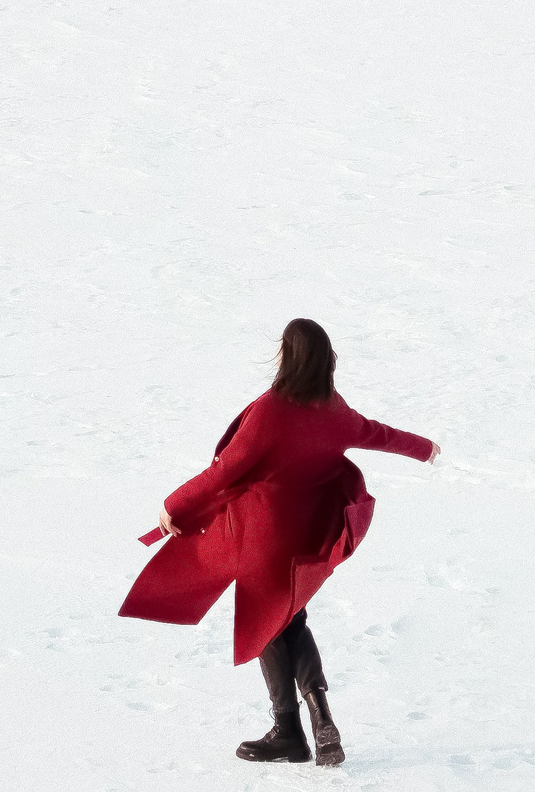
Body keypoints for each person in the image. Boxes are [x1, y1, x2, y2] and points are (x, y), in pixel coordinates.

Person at [118, 319, 438, 767]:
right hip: (306, 536)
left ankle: (289, 730)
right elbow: (376, 433)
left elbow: (225, 471)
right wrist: (424, 447)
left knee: (268, 624)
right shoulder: (334, 410)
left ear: (287, 356)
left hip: (263, 537)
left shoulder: (272, 411)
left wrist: (174, 504)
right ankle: (319, 722)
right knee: (290, 622)